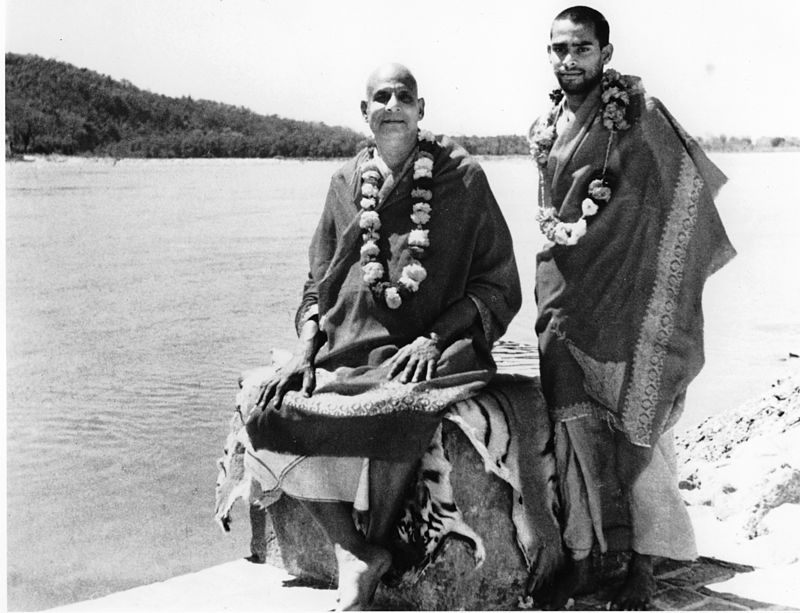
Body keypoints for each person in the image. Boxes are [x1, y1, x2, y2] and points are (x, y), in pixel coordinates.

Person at [246, 62, 522, 610]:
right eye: (381, 97)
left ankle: (369, 552)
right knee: (265, 407)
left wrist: (435, 338)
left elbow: (496, 281)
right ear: (364, 112)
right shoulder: (346, 182)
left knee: (402, 401)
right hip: (349, 340)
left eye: (404, 96)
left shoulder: (461, 177)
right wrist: (307, 346)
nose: (392, 105)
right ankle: (355, 551)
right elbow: (318, 281)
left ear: (422, 110)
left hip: (438, 342)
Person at [529, 6, 736, 609]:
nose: (570, 60)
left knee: (639, 419)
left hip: (632, 294)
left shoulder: (639, 115)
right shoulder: (543, 126)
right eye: (559, 49)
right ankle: (598, 555)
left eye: (582, 49)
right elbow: (555, 216)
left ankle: (645, 562)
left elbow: (686, 190)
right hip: (565, 293)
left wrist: (662, 284)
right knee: (577, 422)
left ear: (606, 53)